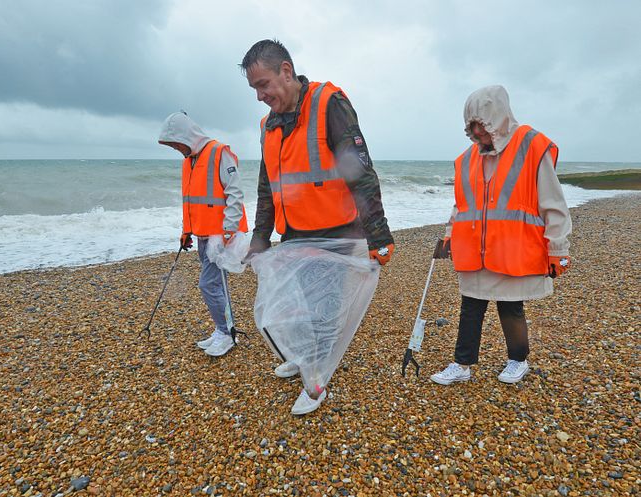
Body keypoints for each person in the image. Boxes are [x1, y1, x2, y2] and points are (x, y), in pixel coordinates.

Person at [240, 39, 395, 415]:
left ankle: (316, 383)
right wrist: (261, 237)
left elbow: (360, 171)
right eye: (254, 89)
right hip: (294, 234)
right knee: (297, 306)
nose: (260, 96)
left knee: (324, 311)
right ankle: (302, 356)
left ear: (286, 72)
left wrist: (379, 235)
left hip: (338, 233)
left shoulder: (328, 104)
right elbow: (267, 187)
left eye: (263, 85)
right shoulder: (268, 126)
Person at [431, 85, 572, 386]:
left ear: (497, 120)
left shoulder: (531, 145)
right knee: (470, 305)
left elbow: (553, 202)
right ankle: (462, 363)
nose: (477, 135)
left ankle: (518, 360)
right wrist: (448, 235)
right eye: (472, 129)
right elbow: (461, 205)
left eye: (482, 127)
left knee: (510, 306)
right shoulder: (469, 158)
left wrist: (558, 247)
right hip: (474, 247)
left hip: (512, 248)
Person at [158, 111, 249, 357]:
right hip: (202, 233)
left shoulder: (219, 152)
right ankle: (225, 330)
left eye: (176, 143)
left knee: (208, 284)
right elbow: (191, 201)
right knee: (216, 284)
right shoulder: (189, 161)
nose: (176, 148)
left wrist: (229, 229)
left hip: (220, 235)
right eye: (172, 145)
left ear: (186, 136)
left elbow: (235, 192)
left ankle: (225, 333)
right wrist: (186, 231)